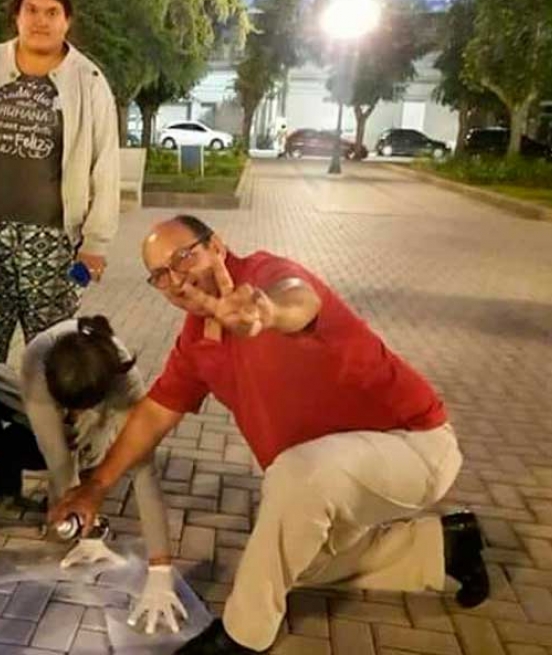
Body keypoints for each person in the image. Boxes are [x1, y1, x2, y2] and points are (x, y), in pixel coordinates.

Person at [50, 215, 490, 654]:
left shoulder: (265, 276)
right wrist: (95, 487)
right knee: (298, 562)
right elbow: (152, 415)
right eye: (160, 276)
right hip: (340, 472)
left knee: (295, 476)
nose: (176, 280)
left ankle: (242, 638)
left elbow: (300, 300)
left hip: (413, 446)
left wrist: (267, 311)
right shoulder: (196, 343)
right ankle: (447, 547)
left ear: (217, 246)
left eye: (183, 258)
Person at [0, 0, 120, 455]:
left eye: (52, 12)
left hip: (52, 240)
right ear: (16, 15)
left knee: (52, 343)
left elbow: (104, 166)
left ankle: (52, 423)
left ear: (68, 21)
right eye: (31, 10)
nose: (41, 21)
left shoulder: (88, 81)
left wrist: (95, 241)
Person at [0, 317, 187, 634]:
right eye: (67, 411)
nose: (70, 418)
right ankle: (5, 483)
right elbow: (57, 458)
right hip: (40, 395)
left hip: (97, 409)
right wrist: (81, 528)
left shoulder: (123, 379)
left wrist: (160, 571)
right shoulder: (38, 364)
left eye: (76, 411)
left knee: (109, 452)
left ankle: (89, 455)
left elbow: (144, 470)